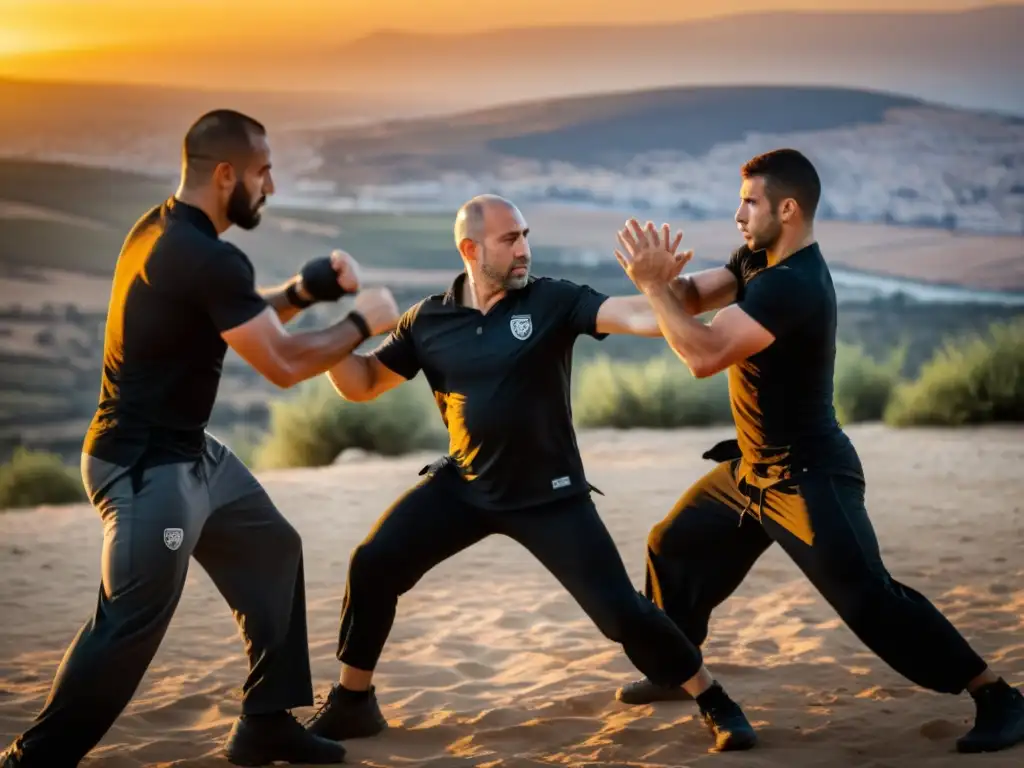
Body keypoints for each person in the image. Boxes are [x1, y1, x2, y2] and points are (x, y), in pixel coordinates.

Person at [0, 109, 401, 768]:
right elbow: (283, 365)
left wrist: (305, 290)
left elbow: (242, 315)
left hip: (192, 455)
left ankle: (266, 723)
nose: (270, 186)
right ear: (225, 175)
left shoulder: (161, 231)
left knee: (273, 547)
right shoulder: (204, 256)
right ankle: (32, 760)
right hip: (144, 471)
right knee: (130, 622)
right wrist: (362, 322)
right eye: (263, 172)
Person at [301, 193, 758, 753]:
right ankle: (352, 704)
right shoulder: (429, 319)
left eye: (525, 236)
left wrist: (660, 284)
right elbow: (364, 383)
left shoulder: (554, 301)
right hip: (466, 485)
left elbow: (638, 315)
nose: (524, 249)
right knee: (373, 564)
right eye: (509, 239)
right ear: (470, 249)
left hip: (550, 495)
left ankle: (713, 698)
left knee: (622, 614)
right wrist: (333, 338)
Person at [610, 148, 1024, 755]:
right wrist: (658, 280)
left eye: (749, 202)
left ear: (789, 208)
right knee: (670, 546)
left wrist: (653, 287)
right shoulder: (758, 260)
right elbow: (692, 299)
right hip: (750, 472)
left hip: (807, 476)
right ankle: (677, 667)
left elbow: (701, 355)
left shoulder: (794, 285)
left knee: (869, 598)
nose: (738, 214)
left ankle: (996, 695)